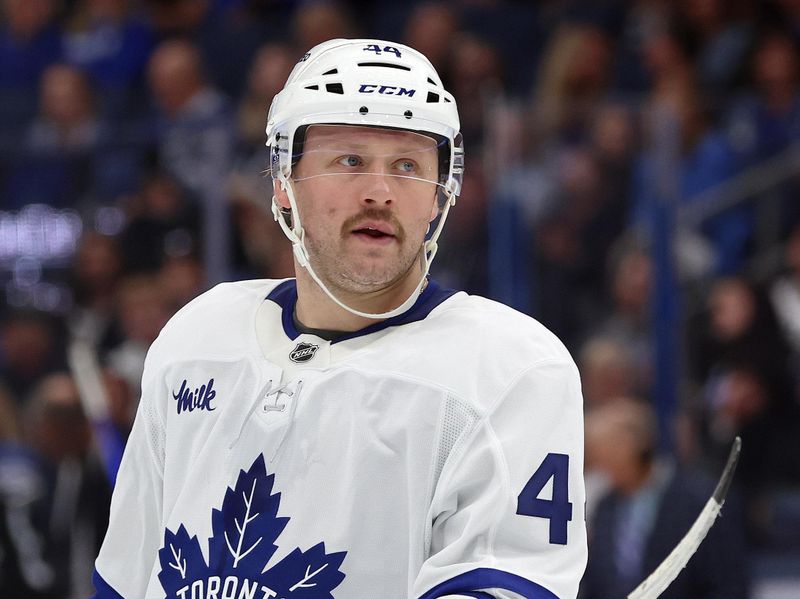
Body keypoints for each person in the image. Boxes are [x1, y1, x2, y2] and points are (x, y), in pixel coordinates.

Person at [91, 38, 587, 598]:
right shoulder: (195, 337)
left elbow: (501, 582)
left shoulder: (512, 371)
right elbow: (124, 579)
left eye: (407, 166)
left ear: (440, 198)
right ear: (283, 181)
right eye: (350, 160)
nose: (381, 193)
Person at [581, 397, 748, 598]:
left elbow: (728, 585)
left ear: (636, 444)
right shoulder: (604, 507)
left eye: (605, 450)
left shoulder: (699, 500)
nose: (599, 462)